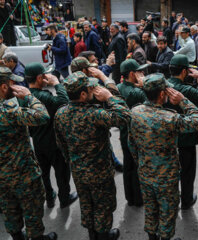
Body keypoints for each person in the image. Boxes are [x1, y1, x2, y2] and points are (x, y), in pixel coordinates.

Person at [54, 71, 130, 240]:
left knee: (87, 205)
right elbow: (124, 117)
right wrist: (109, 97)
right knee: (103, 207)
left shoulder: (60, 114)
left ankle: (93, 235)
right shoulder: (94, 114)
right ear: (82, 94)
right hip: (100, 172)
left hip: (78, 171)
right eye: (89, 89)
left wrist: (73, 162)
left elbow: (61, 144)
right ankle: (103, 235)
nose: (93, 91)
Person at [128, 73, 198, 240]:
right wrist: (183, 100)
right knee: (167, 212)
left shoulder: (135, 112)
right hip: (167, 176)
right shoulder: (170, 117)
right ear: (162, 94)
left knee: (151, 209)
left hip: (145, 171)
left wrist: (142, 161)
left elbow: (131, 144)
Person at [0, 67, 57, 240]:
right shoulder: (9, 112)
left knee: (10, 210)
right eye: (13, 83)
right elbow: (42, 116)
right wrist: (29, 96)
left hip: (2, 177)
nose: (16, 85)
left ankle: (18, 236)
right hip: (23, 173)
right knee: (32, 210)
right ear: (4, 87)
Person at [24, 62, 78, 209]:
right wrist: (57, 84)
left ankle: (49, 197)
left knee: (44, 173)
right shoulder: (43, 96)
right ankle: (64, 198)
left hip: (37, 142)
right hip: (53, 142)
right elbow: (64, 102)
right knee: (62, 173)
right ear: (40, 77)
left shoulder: (25, 97)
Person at [167, 54, 198, 209]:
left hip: (166, 137)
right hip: (186, 137)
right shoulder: (185, 90)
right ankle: (186, 199)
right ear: (184, 72)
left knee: (169, 171)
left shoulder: (164, 85)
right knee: (187, 171)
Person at [117, 59, 149, 207]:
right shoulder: (137, 92)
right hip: (137, 135)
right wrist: (144, 85)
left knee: (128, 166)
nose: (142, 74)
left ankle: (130, 197)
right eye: (139, 72)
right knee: (138, 167)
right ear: (131, 74)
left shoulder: (117, 88)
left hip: (124, 133)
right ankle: (138, 198)